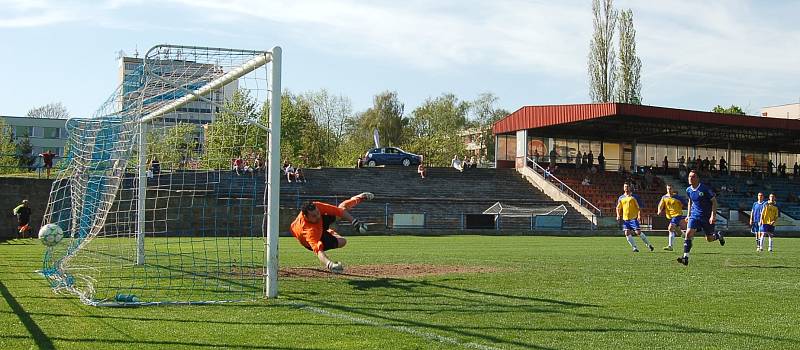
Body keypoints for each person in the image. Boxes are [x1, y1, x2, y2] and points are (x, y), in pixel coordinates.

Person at [290, 192, 373, 273]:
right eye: (314, 216)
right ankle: (330, 232)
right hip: (310, 239)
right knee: (342, 241)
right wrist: (330, 264)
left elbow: (339, 211)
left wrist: (355, 223)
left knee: (341, 210)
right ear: (305, 217)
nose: (318, 216)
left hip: (319, 226)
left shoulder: (317, 207)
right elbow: (318, 250)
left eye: (318, 213)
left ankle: (359, 198)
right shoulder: (309, 231)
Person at [677, 170, 725, 266]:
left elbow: (714, 202)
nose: (690, 178)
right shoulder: (688, 190)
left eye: (693, 176)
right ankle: (685, 257)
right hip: (695, 216)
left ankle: (718, 236)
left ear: (697, 178)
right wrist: (688, 214)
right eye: (689, 176)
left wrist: (713, 215)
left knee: (709, 239)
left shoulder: (704, 189)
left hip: (706, 217)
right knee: (688, 233)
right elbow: (690, 201)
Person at [616, 183, 654, 252]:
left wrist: (639, 216)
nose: (626, 188)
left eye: (627, 187)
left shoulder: (634, 197)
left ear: (630, 188)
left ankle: (648, 245)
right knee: (627, 233)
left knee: (638, 232)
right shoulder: (621, 198)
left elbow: (638, 208)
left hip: (633, 218)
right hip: (625, 219)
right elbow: (618, 208)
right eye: (625, 187)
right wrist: (618, 215)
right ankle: (634, 247)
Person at [657, 184, 687, 251]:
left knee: (670, 228)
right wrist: (659, 210)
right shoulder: (664, 197)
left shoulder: (678, 197)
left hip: (677, 215)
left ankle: (670, 246)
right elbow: (660, 205)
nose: (669, 190)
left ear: (673, 189)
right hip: (670, 216)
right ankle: (687, 237)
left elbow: (686, 203)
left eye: (670, 188)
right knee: (678, 231)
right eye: (668, 189)